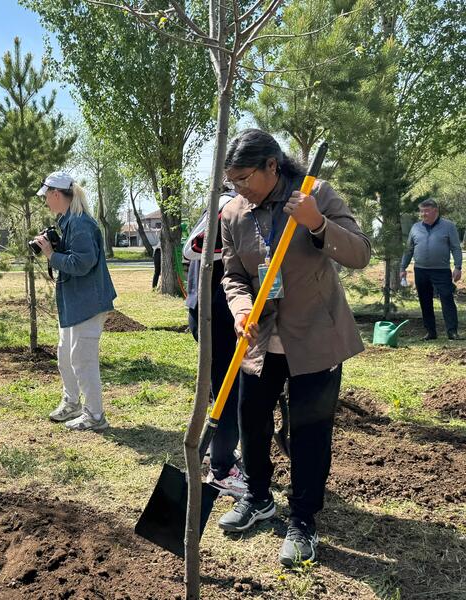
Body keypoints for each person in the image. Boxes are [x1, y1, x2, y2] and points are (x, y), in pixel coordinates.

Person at [217, 129, 371, 567]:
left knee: (309, 432)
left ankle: (302, 518)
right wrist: (241, 309)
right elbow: (231, 275)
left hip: (315, 338)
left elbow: (360, 253)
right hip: (260, 341)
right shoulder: (234, 214)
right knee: (253, 423)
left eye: (245, 178)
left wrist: (317, 223)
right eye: (233, 181)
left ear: (272, 165)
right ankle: (259, 497)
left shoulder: (314, 194)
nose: (239, 189)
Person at [35, 171, 117, 431]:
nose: (45, 201)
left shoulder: (80, 223)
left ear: (56, 194)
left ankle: (95, 416)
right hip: (75, 302)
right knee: (65, 355)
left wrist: (51, 255)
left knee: (82, 359)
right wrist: (56, 248)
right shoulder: (68, 221)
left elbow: (82, 263)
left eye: (46, 196)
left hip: (88, 303)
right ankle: (72, 402)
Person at [184, 190, 245, 498]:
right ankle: (221, 470)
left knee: (220, 389)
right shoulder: (228, 206)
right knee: (229, 392)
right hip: (217, 315)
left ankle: (217, 453)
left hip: (208, 311)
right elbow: (192, 249)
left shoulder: (218, 204)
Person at [400, 199, 462, 341]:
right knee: (425, 300)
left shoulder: (449, 226)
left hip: (441, 270)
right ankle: (430, 332)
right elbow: (408, 249)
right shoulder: (415, 227)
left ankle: (452, 332)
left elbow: (455, 247)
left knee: (447, 299)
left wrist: (458, 267)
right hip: (421, 270)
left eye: (426, 211)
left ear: (435, 211)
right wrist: (403, 267)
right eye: (421, 211)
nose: (423, 214)